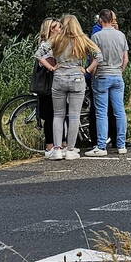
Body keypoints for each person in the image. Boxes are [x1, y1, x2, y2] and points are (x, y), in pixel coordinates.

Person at [36, 14, 102, 160]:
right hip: (77, 77)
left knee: (58, 115)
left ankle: (57, 149)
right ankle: (70, 149)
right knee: (73, 116)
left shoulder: (56, 39)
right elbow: (99, 56)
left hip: (59, 77)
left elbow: (39, 55)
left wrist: (52, 68)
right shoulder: (82, 39)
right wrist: (88, 69)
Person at [84, 9, 129, 157]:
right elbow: (125, 59)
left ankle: (101, 145)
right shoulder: (121, 35)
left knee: (101, 112)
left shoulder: (96, 37)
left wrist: (94, 75)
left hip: (102, 75)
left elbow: (94, 59)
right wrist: (120, 71)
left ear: (101, 20)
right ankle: (121, 144)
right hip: (117, 75)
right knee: (119, 110)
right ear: (112, 19)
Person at [34, 18, 61, 155]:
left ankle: (55, 145)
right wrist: (52, 68)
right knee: (51, 115)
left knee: (55, 115)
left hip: (52, 84)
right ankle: (50, 146)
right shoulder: (47, 45)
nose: (61, 29)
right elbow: (40, 58)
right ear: (52, 29)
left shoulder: (51, 44)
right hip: (49, 85)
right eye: (58, 27)